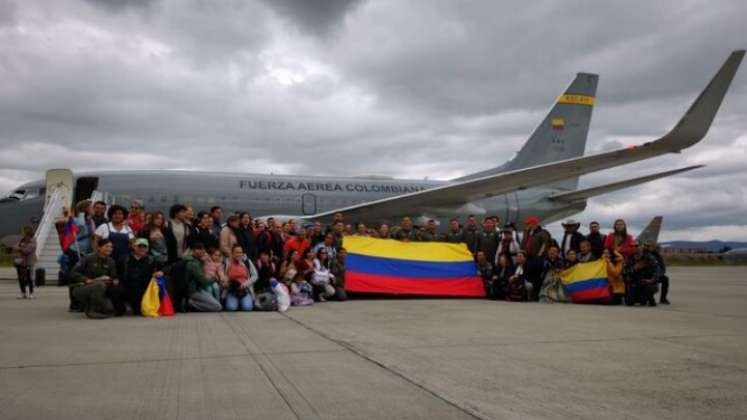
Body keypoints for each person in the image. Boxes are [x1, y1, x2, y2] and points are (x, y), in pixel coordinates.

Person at [70, 239, 126, 318]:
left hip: (101, 289)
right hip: (82, 288)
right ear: (99, 247)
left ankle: (93, 306)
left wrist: (114, 281)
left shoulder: (111, 261)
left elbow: (114, 276)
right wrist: (86, 280)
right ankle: (92, 311)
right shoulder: (88, 258)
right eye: (106, 246)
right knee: (99, 285)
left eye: (111, 247)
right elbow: (73, 272)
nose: (109, 249)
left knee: (110, 309)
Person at [117, 238, 160, 315]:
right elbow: (118, 273)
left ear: (148, 248)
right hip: (128, 287)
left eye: (145, 247)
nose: (142, 249)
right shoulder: (124, 259)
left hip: (144, 288)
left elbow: (163, 269)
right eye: (139, 246)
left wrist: (159, 273)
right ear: (134, 247)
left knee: (139, 311)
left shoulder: (152, 260)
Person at [183, 243, 222, 312]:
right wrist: (214, 279)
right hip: (193, 291)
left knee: (216, 304)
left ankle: (191, 302)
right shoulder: (193, 263)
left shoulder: (197, 261)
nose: (202, 252)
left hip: (198, 289)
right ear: (194, 250)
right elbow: (204, 281)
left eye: (203, 250)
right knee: (217, 307)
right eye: (200, 250)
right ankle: (189, 303)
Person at [520, 216, 551, 300]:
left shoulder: (542, 233)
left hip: (537, 259)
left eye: (528, 224)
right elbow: (524, 244)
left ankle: (537, 295)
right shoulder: (528, 233)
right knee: (528, 277)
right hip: (528, 258)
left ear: (534, 224)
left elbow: (544, 245)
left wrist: (539, 256)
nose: (527, 226)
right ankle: (529, 294)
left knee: (536, 278)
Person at [623, 241, 660, 307]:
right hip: (635, 283)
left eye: (636, 246)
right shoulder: (629, 258)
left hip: (647, 282)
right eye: (632, 246)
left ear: (641, 246)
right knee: (629, 302)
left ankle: (650, 298)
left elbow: (657, 270)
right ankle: (641, 298)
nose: (634, 247)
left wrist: (652, 280)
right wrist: (634, 268)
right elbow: (624, 271)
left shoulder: (649, 257)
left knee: (647, 291)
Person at [224, 245, 257, 311]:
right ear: (232, 253)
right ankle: (235, 302)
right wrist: (225, 283)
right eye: (237, 252)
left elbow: (255, 275)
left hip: (244, 290)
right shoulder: (226, 262)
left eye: (240, 252)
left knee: (247, 308)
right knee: (231, 308)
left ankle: (241, 302)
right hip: (232, 290)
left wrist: (245, 284)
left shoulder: (246, 261)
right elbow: (222, 275)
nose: (239, 254)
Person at [13, 226, 37, 299]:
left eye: (24, 232)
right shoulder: (21, 240)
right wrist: (20, 248)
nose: (23, 234)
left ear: (28, 233)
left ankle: (31, 293)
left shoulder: (33, 240)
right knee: (21, 278)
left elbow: (28, 250)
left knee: (29, 278)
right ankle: (23, 293)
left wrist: (20, 248)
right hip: (20, 262)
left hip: (29, 262)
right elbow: (15, 247)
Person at [645, 240, 670, 304]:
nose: (646, 247)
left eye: (648, 246)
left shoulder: (658, 256)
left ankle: (663, 298)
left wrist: (658, 275)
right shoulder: (642, 254)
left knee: (665, 279)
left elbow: (663, 268)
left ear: (653, 247)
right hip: (645, 275)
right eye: (645, 245)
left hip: (655, 275)